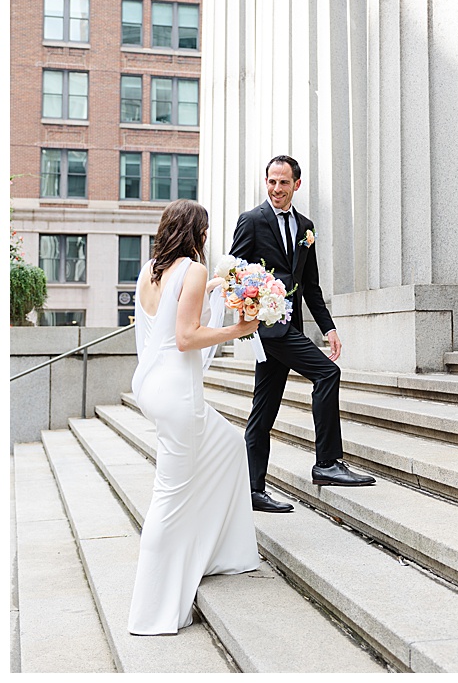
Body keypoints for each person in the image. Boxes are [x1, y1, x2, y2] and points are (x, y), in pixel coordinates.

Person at [128, 199, 261, 635]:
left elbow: (167, 315)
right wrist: (237, 330)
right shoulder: (194, 269)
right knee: (168, 495)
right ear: (197, 232)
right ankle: (152, 613)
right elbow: (186, 337)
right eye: (205, 229)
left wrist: (213, 287)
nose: (208, 236)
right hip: (178, 393)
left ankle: (223, 552)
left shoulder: (150, 269)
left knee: (227, 445)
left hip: (150, 384)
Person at [230, 155, 374, 514]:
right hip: (267, 330)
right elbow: (233, 275)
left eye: (283, 182)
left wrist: (329, 327)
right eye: (271, 181)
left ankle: (252, 490)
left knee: (262, 411)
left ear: (297, 184)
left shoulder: (306, 228)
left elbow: (310, 285)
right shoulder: (251, 221)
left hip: (291, 327)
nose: (276, 189)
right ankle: (327, 463)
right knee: (328, 373)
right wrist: (251, 310)